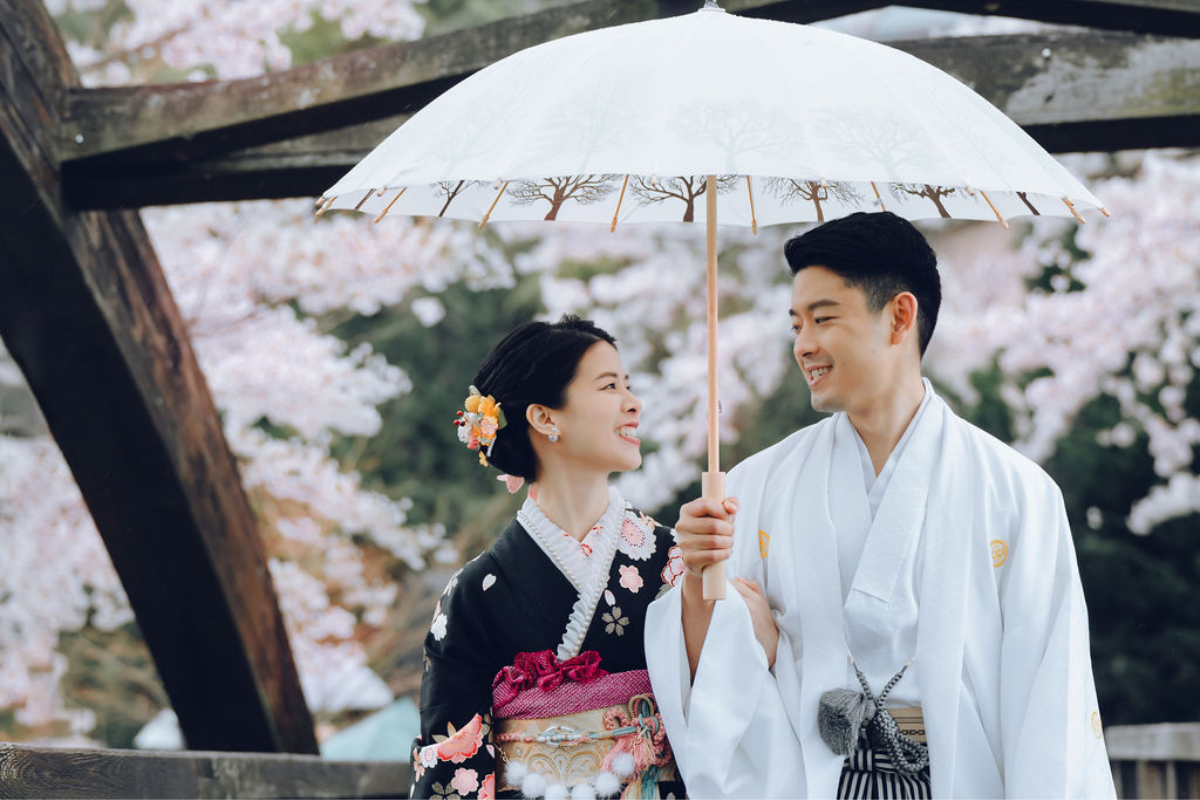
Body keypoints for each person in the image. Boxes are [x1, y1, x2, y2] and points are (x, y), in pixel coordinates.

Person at [644, 212, 1116, 798]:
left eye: (823, 319)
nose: (803, 346)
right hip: (810, 780)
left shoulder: (1016, 491)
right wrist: (698, 580)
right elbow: (717, 675)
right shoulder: (756, 485)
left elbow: (1052, 698)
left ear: (899, 317)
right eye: (796, 325)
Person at [410, 315, 687, 800]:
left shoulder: (672, 561)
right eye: (609, 386)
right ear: (545, 417)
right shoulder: (475, 592)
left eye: (629, 385)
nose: (633, 403)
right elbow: (452, 764)